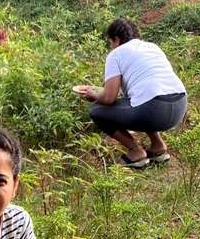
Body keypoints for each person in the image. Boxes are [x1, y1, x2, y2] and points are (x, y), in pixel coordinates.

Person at [75, 18, 187, 169]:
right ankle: (158, 146)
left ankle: (136, 151)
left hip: (153, 110)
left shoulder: (115, 55)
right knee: (140, 98)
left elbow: (109, 98)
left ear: (116, 39)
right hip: (179, 106)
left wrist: (93, 94)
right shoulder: (152, 47)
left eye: (110, 42)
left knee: (97, 111)